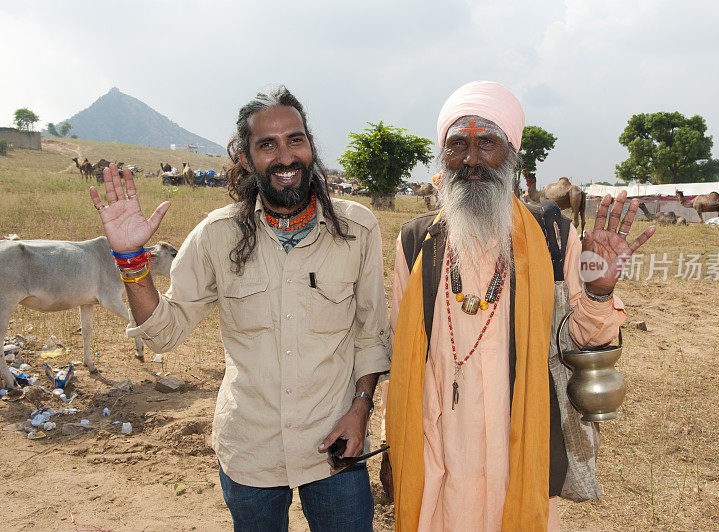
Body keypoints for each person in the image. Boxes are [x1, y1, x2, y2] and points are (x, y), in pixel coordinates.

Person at [89, 86, 390, 531]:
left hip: (335, 447)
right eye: (267, 145)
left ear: (311, 147)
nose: (285, 156)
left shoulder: (357, 228)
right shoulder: (217, 234)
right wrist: (132, 262)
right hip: (250, 450)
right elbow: (163, 333)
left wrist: (360, 409)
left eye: (295, 139)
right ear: (247, 159)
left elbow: (370, 332)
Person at [383, 80, 655, 531]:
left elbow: (586, 339)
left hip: (521, 439)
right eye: (458, 145)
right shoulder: (415, 242)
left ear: (512, 154)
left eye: (487, 143)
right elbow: (401, 354)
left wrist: (599, 292)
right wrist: (394, 441)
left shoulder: (552, 236)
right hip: (438, 446)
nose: (471, 159)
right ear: (443, 157)